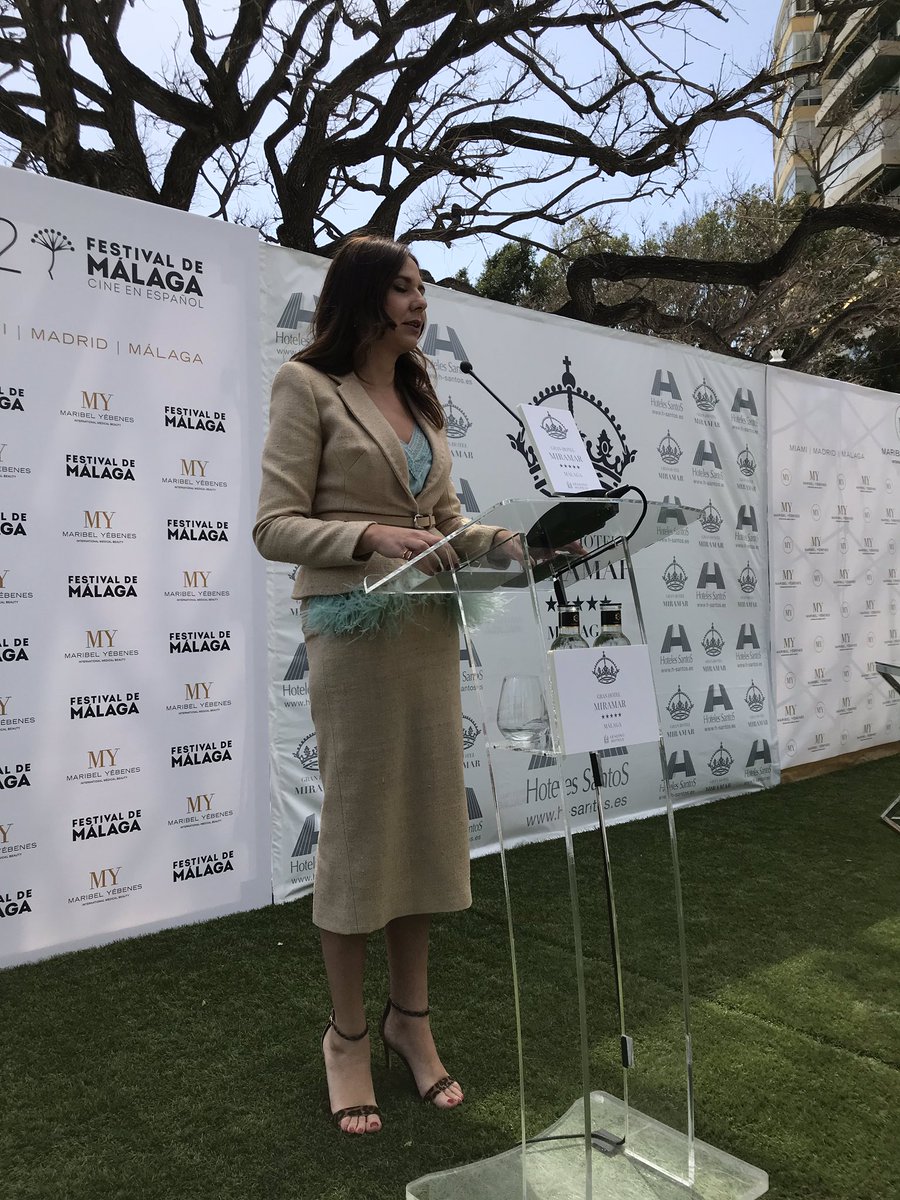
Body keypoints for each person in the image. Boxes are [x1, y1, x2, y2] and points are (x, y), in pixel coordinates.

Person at [253, 234, 515, 1135]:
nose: (419, 302)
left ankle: (414, 1022)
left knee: (425, 827)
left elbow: (443, 520)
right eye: (403, 288)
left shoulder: (419, 396)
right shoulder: (306, 386)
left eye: (423, 288)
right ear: (362, 298)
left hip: (427, 635)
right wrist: (367, 538)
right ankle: (348, 1037)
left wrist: (505, 541)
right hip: (354, 643)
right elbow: (274, 526)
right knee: (364, 833)